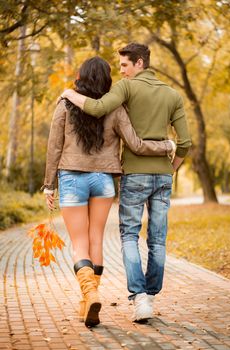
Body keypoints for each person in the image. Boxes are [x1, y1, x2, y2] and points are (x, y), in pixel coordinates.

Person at [60, 43, 192, 322]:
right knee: (158, 238)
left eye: (124, 65)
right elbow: (186, 143)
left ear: (139, 63)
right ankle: (151, 295)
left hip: (134, 174)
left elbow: (96, 108)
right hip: (162, 175)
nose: (121, 70)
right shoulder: (173, 94)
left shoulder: (125, 88)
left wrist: (69, 92)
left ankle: (139, 297)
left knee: (130, 236)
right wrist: (172, 168)